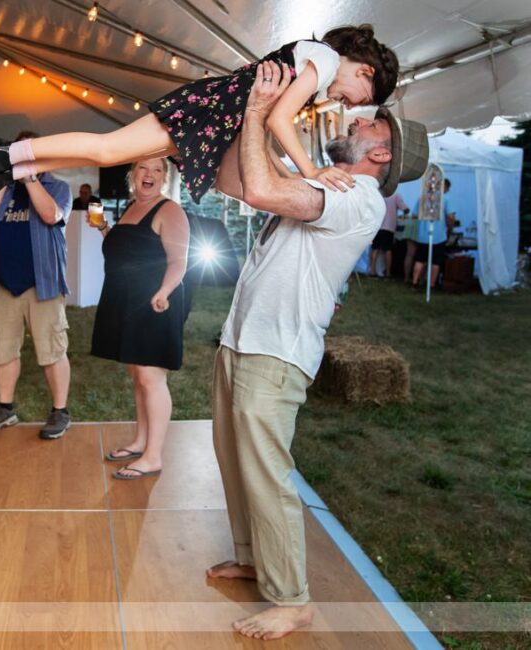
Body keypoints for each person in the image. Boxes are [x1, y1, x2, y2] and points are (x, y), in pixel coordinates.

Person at [206, 61, 428, 640]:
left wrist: (260, 114)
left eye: (373, 126)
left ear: (380, 157)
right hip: (243, 337)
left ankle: (292, 600)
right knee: (236, 463)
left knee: (267, 473)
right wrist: (245, 114)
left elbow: (259, 187)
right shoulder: (324, 179)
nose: (358, 120)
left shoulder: (357, 196)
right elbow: (235, 181)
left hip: (276, 352)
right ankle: (255, 559)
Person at [0, 25, 399, 214]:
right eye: (360, 100)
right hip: (209, 113)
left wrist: (288, 171)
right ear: (366, 72)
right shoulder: (322, 59)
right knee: (108, 149)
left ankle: (13, 168)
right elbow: (281, 119)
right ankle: (2, 153)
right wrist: (312, 171)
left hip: (217, 124)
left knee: (108, 154)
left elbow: (266, 121)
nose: (346, 105)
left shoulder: (315, 65)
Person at [90, 158, 189, 479]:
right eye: (143, 169)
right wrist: (105, 227)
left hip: (155, 300)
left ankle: (154, 456)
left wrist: (163, 292)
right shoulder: (132, 207)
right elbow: (127, 251)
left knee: (151, 378)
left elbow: (178, 261)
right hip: (127, 301)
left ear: (164, 177)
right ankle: (141, 441)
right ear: (132, 175)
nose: (149, 175)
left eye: (157, 170)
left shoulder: (170, 211)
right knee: (138, 375)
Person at [0, 130, 74, 440]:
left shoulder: (58, 187)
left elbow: (50, 215)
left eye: (32, 154)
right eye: (20, 154)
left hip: (42, 283)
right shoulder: (4, 188)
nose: (27, 159)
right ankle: (5, 408)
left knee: (52, 349)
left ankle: (60, 411)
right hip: (5, 283)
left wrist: (31, 180)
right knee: (2, 348)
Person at [411, 178, 453, 288]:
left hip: (423, 234)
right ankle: (432, 284)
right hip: (439, 235)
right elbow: (450, 217)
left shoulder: (422, 198)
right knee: (436, 262)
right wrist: (449, 228)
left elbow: (414, 215)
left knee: (420, 259)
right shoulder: (445, 199)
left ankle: (415, 282)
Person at [369, 191, 409, 277]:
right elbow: (405, 209)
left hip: (377, 225)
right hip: (389, 227)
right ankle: (387, 272)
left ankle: (372, 270)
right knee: (387, 250)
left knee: (375, 248)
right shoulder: (396, 195)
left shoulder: (378, 194)